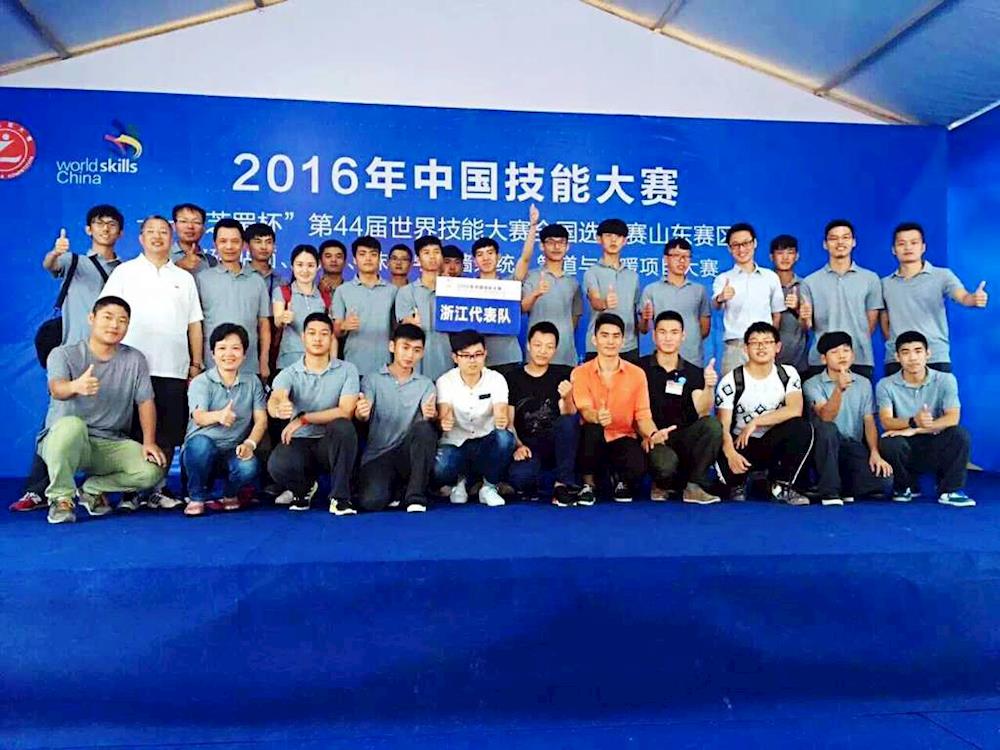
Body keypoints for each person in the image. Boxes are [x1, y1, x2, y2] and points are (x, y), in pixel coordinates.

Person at [14, 205, 125, 513]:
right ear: (89, 229)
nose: (105, 228)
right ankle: (38, 490)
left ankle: (96, 489)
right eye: (99, 223)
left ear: (120, 232)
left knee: (111, 422)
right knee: (58, 421)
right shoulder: (74, 261)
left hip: (114, 356)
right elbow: (50, 265)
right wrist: (55, 252)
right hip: (75, 354)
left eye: (112, 224)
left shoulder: (127, 270)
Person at [100, 215, 203, 510]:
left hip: (173, 366)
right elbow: (107, 314)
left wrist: (195, 364)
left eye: (163, 232)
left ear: (171, 239)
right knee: (131, 431)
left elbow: (194, 324)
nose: (157, 237)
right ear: (141, 238)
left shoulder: (183, 278)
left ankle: (158, 488)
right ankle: (131, 491)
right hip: (129, 367)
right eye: (151, 232)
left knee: (168, 431)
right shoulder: (124, 273)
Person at [39, 296, 166, 524]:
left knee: (151, 470)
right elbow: (56, 389)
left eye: (122, 320)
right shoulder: (63, 354)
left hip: (109, 442)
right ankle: (61, 498)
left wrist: (149, 441)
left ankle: (92, 489)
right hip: (66, 441)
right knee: (71, 425)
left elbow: (145, 402)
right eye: (107, 317)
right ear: (91, 318)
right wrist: (75, 386)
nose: (114, 325)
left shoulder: (135, 359)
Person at [266, 312, 360, 513]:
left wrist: (304, 418)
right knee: (277, 464)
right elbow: (276, 398)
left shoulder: (347, 370)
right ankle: (303, 489)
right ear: (303, 337)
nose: (318, 339)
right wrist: (278, 408)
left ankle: (340, 498)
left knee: (343, 426)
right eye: (312, 333)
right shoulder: (289, 373)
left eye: (324, 333)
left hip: (330, 442)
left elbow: (345, 411)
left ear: (332, 338)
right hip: (301, 442)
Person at [715, 322, 811, 505]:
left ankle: (781, 485)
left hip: (773, 441)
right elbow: (723, 426)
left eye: (767, 342)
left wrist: (756, 422)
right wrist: (730, 454)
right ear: (745, 349)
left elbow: (795, 409)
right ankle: (740, 482)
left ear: (777, 347)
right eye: (755, 342)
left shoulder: (788, 374)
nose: (761, 347)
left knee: (801, 428)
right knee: (727, 480)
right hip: (741, 444)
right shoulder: (731, 380)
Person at [876, 330, 973, 506]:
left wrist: (916, 429)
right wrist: (913, 421)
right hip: (906, 446)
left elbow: (953, 418)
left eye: (918, 351)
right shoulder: (885, 385)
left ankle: (949, 490)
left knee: (959, 435)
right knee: (888, 442)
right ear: (897, 357)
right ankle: (905, 486)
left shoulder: (946, 379)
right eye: (906, 352)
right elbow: (886, 421)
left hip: (934, 441)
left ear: (928, 354)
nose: (912, 358)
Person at [571, 313, 659, 504]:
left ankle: (621, 480)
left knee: (638, 467)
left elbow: (643, 415)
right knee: (591, 430)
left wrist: (652, 434)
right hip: (593, 438)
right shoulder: (580, 372)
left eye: (616, 336)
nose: (610, 341)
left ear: (623, 340)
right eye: (604, 335)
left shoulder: (637, 374)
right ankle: (588, 484)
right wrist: (597, 416)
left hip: (623, 436)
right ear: (594, 340)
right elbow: (584, 409)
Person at [181, 323, 267, 516]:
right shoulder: (201, 382)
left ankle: (229, 494)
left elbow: (261, 420)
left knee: (249, 465)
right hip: (201, 451)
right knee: (200, 446)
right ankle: (196, 496)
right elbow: (199, 417)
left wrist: (250, 444)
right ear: (212, 354)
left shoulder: (253, 382)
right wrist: (219, 416)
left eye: (235, 348)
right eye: (222, 348)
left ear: (244, 354)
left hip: (232, 450)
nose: (229, 354)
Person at [881, 222, 988, 375]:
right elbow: (884, 320)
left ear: (923, 247)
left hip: (935, 355)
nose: (908, 247)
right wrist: (897, 344)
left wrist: (973, 299)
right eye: (902, 243)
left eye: (914, 242)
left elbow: (963, 296)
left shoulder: (942, 276)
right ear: (893, 249)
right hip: (897, 358)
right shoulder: (885, 284)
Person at [355, 323, 438, 513]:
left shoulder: (426, 385)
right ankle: (397, 489)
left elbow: (428, 418)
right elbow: (362, 413)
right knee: (371, 502)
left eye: (416, 350)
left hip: (407, 455)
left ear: (422, 353)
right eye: (405, 347)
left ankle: (415, 496)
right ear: (392, 346)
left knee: (425, 429)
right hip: (378, 455)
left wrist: (431, 415)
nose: (410, 355)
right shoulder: (372, 379)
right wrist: (361, 412)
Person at [640, 311, 722, 504]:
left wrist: (709, 387)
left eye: (674, 332)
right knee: (665, 465)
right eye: (663, 332)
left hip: (683, 438)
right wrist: (649, 435)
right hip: (653, 438)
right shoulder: (639, 369)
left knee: (712, 426)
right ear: (654, 335)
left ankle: (693, 486)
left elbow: (702, 411)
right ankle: (662, 484)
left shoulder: (694, 372)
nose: (668, 338)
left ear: (683, 336)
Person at [803, 332, 893, 506]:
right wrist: (839, 390)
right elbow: (826, 416)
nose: (842, 355)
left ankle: (842, 486)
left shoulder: (863, 383)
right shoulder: (812, 384)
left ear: (853, 355)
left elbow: (869, 421)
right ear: (823, 359)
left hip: (851, 446)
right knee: (828, 429)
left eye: (846, 350)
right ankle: (829, 492)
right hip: (824, 448)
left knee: (884, 481)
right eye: (835, 352)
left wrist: (874, 452)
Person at [433, 330, 515, 508]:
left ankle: (489, 486)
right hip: (456, 444)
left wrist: (501, 418)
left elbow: (501, 409)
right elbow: (444, 411)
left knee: (504, 438)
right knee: (441, 465)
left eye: (478, 354)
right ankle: (459, 482)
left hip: (484, 444)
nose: (472, 360)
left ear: (485, 354)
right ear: (455, 357)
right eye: (466, 355)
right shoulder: (445, 381)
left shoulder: (496, 379)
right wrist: (444, 420)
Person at [506, 322, 580, 506]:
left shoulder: (563, 374)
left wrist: (568, 397)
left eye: (549, 347)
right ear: (528, 345)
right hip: (528, 447)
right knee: (520, 478)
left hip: (557, 444)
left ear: (555, 349)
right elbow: (509, 421)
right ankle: (543, 481)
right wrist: (518, 446)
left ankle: (562, 484)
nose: (542, 351)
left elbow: (569, 416)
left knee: (568, 422)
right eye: (538, 345)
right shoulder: (512, 378)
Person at [799, 220, 883, 381]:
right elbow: (806, 326)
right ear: (825, 244)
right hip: (821, 359)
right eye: (833, 238)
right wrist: (804, 318)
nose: (840, 242)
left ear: (853, 242)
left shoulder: (870, 279)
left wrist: (850, 346)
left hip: (859, 358)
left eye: (845, 237)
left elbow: (870, 324)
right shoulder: (810, 282)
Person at [195, 218, 271, 378]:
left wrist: (264, 361)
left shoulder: (257, 280)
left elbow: (264, 324)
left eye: (235, 241)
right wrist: (197, 362)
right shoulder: (202, 279)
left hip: (249, 366)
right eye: (223, 241)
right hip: (211, 366)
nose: (229, 246)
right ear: (215, 244)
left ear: (243, 245)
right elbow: (196, 324)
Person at [711, 223, 784, 374]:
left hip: (764, 345)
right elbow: (716, 304)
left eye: (746, 243)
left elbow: (776, 314)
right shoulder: (723, 279)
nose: (741, 249)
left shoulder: (770, 277)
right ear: (729, 248)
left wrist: (767, 340)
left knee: (766, 387)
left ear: (754, 243)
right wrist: (721, 297)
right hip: (735, 346)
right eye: (736, 245)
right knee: (732, 387)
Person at [520, 215, 583, 367]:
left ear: (567, 246)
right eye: (550, 242)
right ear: (542, 246)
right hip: (537, 356)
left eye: (561, 242)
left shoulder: (573, 282)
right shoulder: (531, 277)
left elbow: (575, 316)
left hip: (566, 356)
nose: (556, 247)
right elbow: (521, 308)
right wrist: (536, 293)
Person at [638, 237, 711, 365]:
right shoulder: (651, 290)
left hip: (692, 358)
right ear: (666, 259)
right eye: (676, 256)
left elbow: (705, 329)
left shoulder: (699, 290)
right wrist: (645, 318)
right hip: (661, 359)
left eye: (686, 257)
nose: (681, 260)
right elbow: (643, 329)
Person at [332, 236, 397, 377]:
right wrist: (343, 326)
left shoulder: (393, 291)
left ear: (379, 259)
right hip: (353, 365)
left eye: (373, 254)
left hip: (386, 365)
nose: (368, 258)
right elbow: (335, 330)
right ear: (355, 260)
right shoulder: (342, 290)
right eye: (362, 254)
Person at [395, 235, 453, 381]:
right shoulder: (406, 292)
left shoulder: (454, 290)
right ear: (418, 259)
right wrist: (410, 322)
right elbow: (405, 325)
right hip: (416, 366)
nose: (432, 257)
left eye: (436, 252)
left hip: (448, 363)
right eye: (426, 253)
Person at [584, 219, 641, 364]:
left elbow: (636, 313)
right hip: (598, 346)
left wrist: (646, 318)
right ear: (599, 239)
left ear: (625, 241)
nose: (613, 240)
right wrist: (605, 303)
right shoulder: (592, 272)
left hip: (628, 346)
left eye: (618, 236)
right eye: (608, 235)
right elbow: (595, 301)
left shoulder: (633, 276)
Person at [273, 244, 332, 372]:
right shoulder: (282, 292)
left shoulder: (325, 297)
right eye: (299, 265)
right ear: (292, 266)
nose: (305, 270)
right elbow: (277, 321)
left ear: (318, 266)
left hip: (319, 362)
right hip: (288, 362)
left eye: (310, 265)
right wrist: (283, 318)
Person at [472, 236, 522, 374]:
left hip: (508, 358)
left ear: (498, 256)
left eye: (490, 253)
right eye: (480, 254)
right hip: (477, 359)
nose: (486, 258)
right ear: (474, 261)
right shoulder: (466, 288)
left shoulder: (510, 284)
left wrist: (533, 228)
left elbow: (525, 259)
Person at [769, 234, 808, 374]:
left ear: (797, 256)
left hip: (799, 363)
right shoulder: (764, 284)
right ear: (771, 257)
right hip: (767, 363)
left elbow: (811, 326)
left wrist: (797, 309)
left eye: (790, 252)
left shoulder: (805, 286)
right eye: (780, 253)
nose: (785, 257)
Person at [170, 203, 217, 273]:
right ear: (174, 226)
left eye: (196, 222)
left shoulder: (211, 261)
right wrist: (179, 266)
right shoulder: (162, 255)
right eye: (184, 221)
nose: (190, 226)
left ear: (204, 229)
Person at [246, 222, 285, 297]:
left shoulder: (281, 281)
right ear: (247, 246)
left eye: (268, 242)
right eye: (258, 242)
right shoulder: (239, 277)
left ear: (274, 246)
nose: (264, 247)